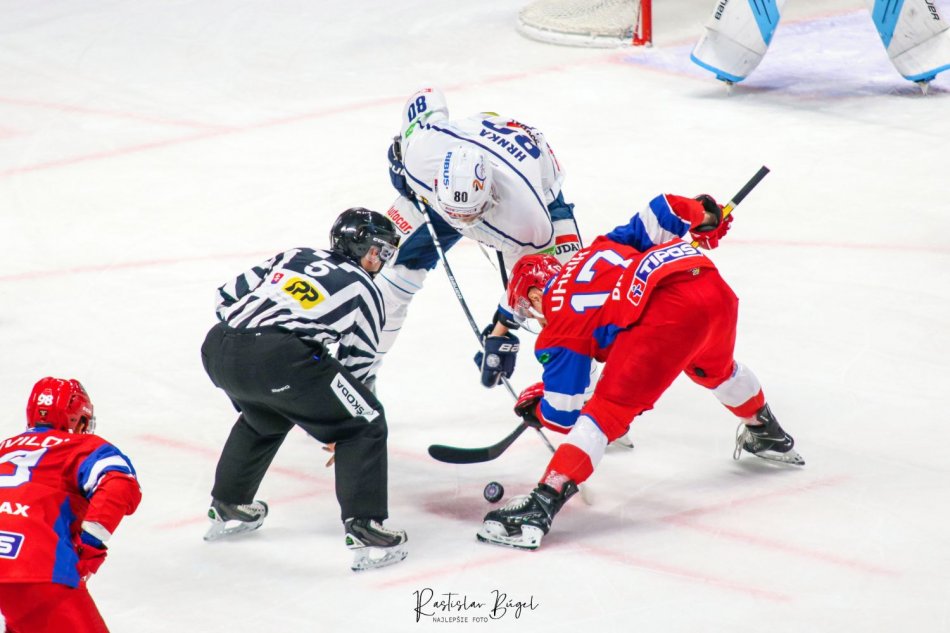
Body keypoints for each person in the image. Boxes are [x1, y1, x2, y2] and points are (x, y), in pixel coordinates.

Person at [475, 192, 803, 551]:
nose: (535, 317)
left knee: (605, 413)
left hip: (668, 316)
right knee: (717, 370)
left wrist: (535, 406)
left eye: (528, 307)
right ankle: (767, 432)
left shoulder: (560, 323)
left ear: (537, 296)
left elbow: (563, 414)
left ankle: (539, 507)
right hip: (709, 286)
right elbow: (665, 209)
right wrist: (706, 216)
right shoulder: (599, 248)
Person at [201, 207, 408, 571]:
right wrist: (340, 423)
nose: (382, 260)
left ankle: (230, 502)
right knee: (365, 422)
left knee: (265, 415)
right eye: (381, 251)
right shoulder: (365, 289)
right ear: (365, 248)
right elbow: (357, 366)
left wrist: (247, 340)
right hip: (277, 359)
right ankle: (365, 525)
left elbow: (224, 297)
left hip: (218, 348)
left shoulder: (296, 255)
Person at [377, 86, 583, 388]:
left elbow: (531, 279)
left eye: (469, 217)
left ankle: (581, 399)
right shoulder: (421, 155)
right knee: (389, 275)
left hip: (535, 181)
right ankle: (362, 370)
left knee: (564, 305)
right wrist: (400, 153)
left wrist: (500, 330)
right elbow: (427, 96)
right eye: (455, 216)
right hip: (463, 162)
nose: (461, 224)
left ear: (490, 195)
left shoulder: (526, 219)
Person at [0, 377, 141, 632]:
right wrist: (90, 547)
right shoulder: (84, 446)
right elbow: (119, 484)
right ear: (78, 419)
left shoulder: (4, 448)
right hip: (36, 565)